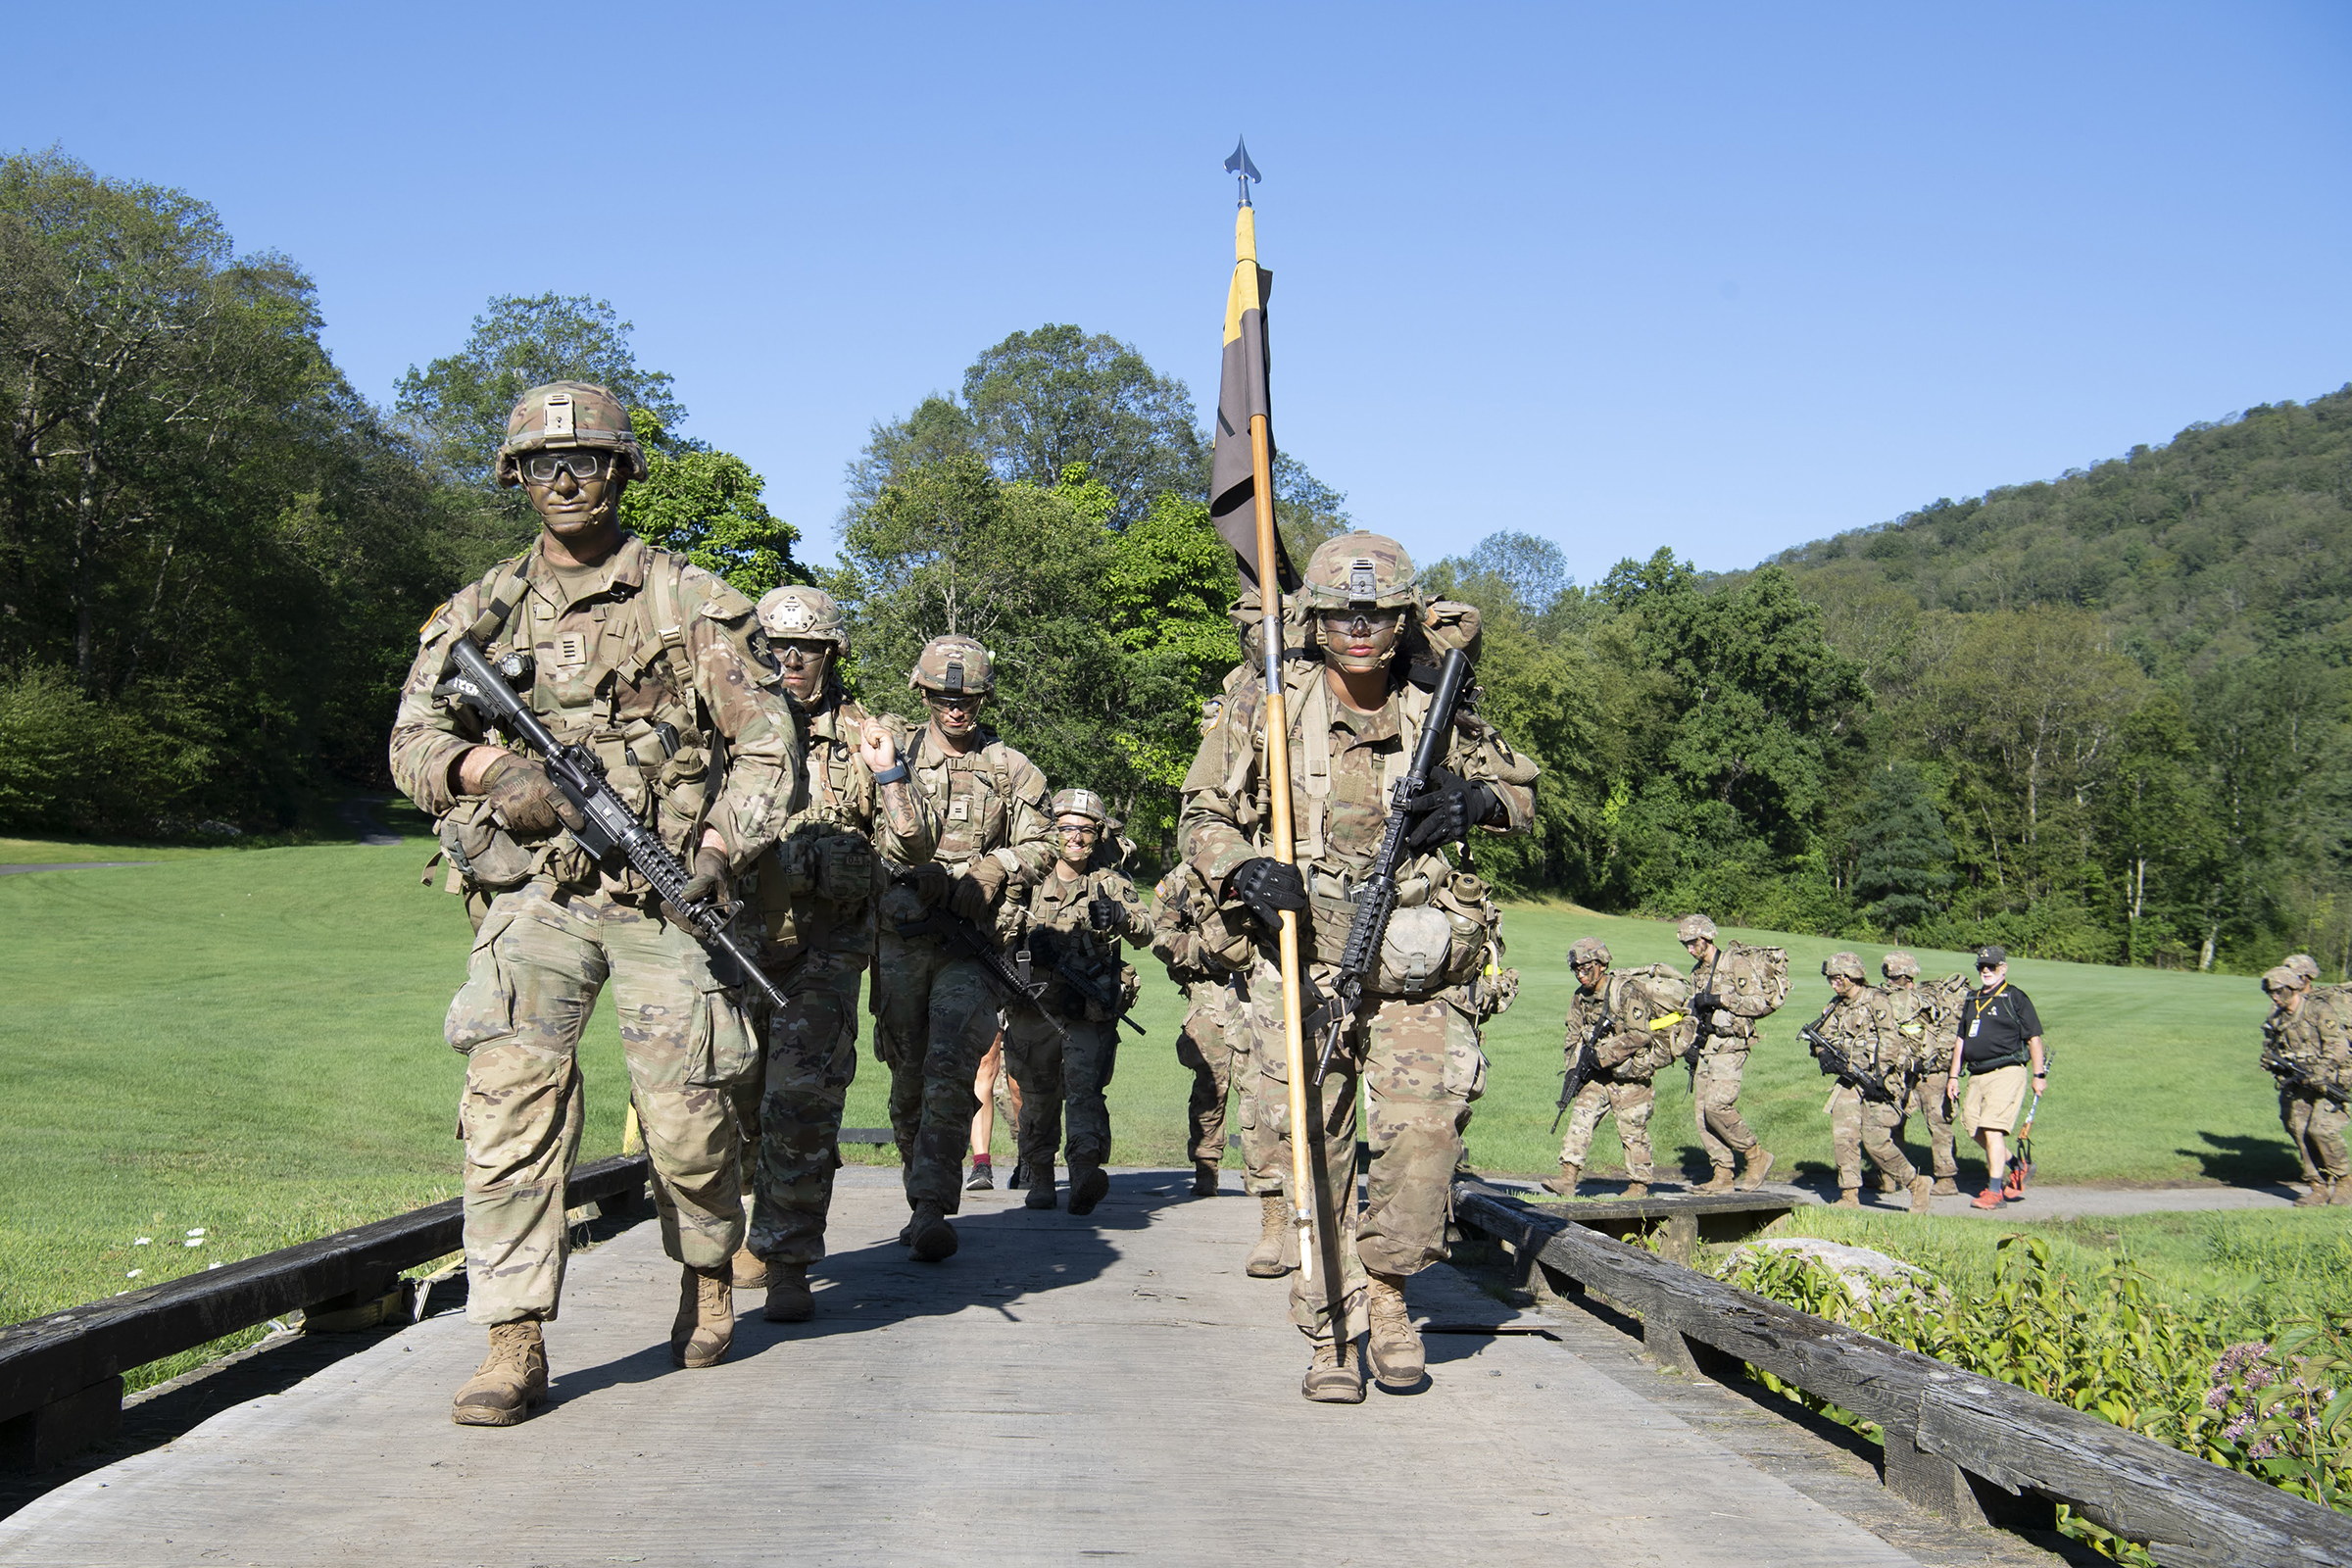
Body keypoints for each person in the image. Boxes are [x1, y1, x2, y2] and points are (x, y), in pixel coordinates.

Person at [389, 381, 800, 1425]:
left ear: (621, 471)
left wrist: (717, 842)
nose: (563, 480)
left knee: (689, 1114)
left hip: (667, 895)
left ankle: (708, 1268)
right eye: (541, 465)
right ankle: (512, 1335)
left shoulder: (689, 600)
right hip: (534, 897)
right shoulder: (479, 609)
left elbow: (768, 745)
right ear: (515, 479)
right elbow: (410, 743)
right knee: (509, 1099)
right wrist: (491, 773)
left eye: (584, 462)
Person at [1181, 531, 1540, 1402]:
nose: (1361, 630)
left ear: (1403, 618)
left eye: (1378, 614)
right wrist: (1240, 868)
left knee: (1424, 1143)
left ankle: (1388, 1298)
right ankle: (1329, 1332)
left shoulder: (1438, 705)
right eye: (1343, 614)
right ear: (1314, 618)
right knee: (1313, 1146)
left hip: (1414, 964)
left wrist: (1475, 801)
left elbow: (1525, 801)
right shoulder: (1267, 703)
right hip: (1300, 956)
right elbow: (1201, 814)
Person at [732, 585, 935, 1321]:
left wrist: (889, 773)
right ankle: (750, 1223)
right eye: (776, 646)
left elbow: (915, 845)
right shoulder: (724, 725)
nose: (789, 659)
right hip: (733, 938)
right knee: (733, 1097)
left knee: (803, 1101)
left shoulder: (864, 734)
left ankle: (788, 1255)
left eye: (807, 647)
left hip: (824, 949)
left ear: (830, 654)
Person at [871, 635, 1055, 1261]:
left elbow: (1046, 840)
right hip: (900, 941)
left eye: (968, 698)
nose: (956, 709)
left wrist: (995, 867)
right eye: (945, 697)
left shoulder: (1011, 768)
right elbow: (861, 832)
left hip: (970, 946)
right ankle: (915, 1189)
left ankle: (930, 1206)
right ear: (924, 694)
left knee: (951, 1068)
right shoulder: (888, 757)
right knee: (906, 1078)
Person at [1000, 788, 1155, 1213]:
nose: (1076, 838)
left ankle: (1085, 1171)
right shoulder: (1028, 879)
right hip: (1034, 1008)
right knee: (1038, 1096)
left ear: (1098, 836)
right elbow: (995, 932)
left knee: (1086, 1090)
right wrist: (1028, 945)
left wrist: (1121, 916)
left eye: (1086, 830)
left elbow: (1147, 928)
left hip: (1087, 1010)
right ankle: (1041, 1177)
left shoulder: (1107, 882)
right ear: (1052, 831)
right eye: (1067, 828)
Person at [1150, 860, 1278, 1209]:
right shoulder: (1181, 877)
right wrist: (1202, 953)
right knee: (1210, 1084)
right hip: (1210, 993)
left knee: (1261, 1085)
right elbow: (1158, 936)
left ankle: (1263, 1178)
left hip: (1261, 987)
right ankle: (1205, 1168)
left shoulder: (1263, 861)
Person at [1548, 939, 1688, 1199]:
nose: (1580, 974)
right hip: (1598, 1075)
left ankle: (1639, 1185)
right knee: (1581, 1115)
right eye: (1576, 969)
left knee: (1633, 1131)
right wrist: (1572, 1071)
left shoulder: (1626, 991)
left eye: (1585, 968)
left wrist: (1601, 1056)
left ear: (1601, 965)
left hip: (1630, 1075)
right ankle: (1567, 1178)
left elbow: (1640, 1035)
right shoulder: (1580, 998)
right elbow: (1573, 1036)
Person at [1815, 953, 1935, 1211]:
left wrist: (1880, 1078)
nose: (1833, 984)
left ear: (1851, 977)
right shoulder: (1837, 1005)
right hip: (1848, 1081)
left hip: (1877, 1081)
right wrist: (1823, 1054)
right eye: (1831, 980)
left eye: (1837, 979)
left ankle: (1916, 1184)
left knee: (1876, 1142)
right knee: (1843, 1136)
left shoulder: (1876, 1001)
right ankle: (1849, 1196)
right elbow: (1821, 1036)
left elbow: (1890, 1039)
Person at [1679, 913, 1785, 1193]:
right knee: (1702, 1114)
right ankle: (1722, 1173)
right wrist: (1690, 1045)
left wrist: (1721, 999)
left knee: (1717, 1106)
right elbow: (1694, 1013)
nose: (1690, 949)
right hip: (1708, 1046)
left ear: (1706, 938)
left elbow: (1757, 1003)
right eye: (1686, 945)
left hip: (1731, 1044)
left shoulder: (1734, 964)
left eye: (1693, 943)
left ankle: (1755, 1156)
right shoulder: (1696, 974)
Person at [1940, 946, 2047, 1210]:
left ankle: (1995, 1192)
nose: (1986, 971)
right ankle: (2016, 1165)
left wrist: (2039, 1074)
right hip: (1976, 1073)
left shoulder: (2015, 997)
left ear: (2004, 968)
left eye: (1992, 966)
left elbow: (2033, 1038)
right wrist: (1953, 1076)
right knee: (1973, 1128)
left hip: (2007, 1071)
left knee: (1992, 1129)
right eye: (1981, 967)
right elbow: (1961, 1041)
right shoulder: (1972, 999)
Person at [2262, 965, 2352, 1206]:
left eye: (2279, 991)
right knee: (2299, 1130)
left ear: (2292, 989)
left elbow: (2338, 1044)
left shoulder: (2318, 1010)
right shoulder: (2277, 1017)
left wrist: (2323, 1070)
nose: (2274, 996)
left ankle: (2344, 1181)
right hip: (2297, 1081)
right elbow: (2272, 1045)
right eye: (2271, 992)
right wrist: (2270, 1060)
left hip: (2328, 1081)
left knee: (2321, 1129)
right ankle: (2318, 1186)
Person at [1881, 953, 1961, 1195]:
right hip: (1902, 1071)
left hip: (1931, 1072)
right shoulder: (1888, 998)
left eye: (1894, 976)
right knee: (1891, 1122)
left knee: (1938, 1124)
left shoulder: (1921, 999)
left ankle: (1946, 1178)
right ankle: (1892, 1176)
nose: (1891, 979)